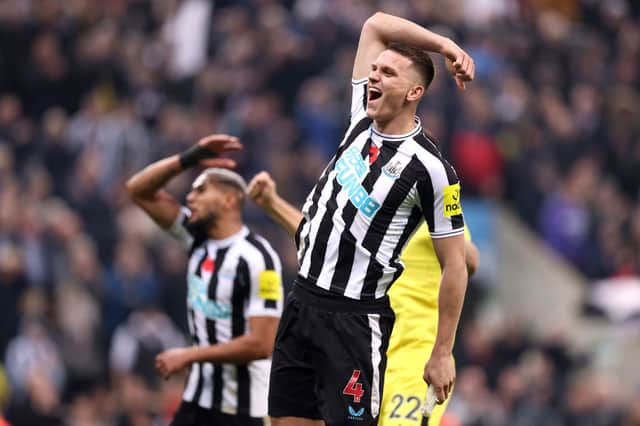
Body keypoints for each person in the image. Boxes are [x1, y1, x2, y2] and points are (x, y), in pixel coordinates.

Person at [251, 11, 475, 426]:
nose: (374, 76)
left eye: (388, 73)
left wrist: (442, 353)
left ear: (414, 92)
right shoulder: (360, 117)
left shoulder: (432, 170)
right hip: (302, 300)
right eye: (374, 69)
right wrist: (442, 45)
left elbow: (457, 264)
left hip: (353, 321)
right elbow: (375, 24)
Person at [248, 173, 479, 426]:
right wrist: (273, 204)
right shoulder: (370, 217)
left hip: (415, 361)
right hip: (366, 350)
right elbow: (320, 240)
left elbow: (470, 261)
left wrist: (448, 239)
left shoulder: (428, 213)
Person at [126, 134, 284, 426]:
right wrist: (187, 159)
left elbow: (262, 343)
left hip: (243, 410)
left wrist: (190, 355)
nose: (190, 196)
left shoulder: (258, 258)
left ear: (229, 199)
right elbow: (138, 190)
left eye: (201, 189)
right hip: (198, 400)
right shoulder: (196, 238)